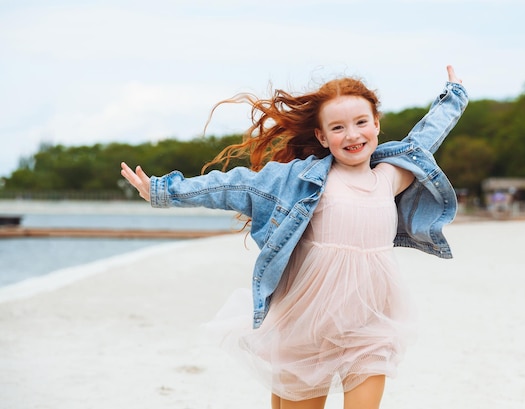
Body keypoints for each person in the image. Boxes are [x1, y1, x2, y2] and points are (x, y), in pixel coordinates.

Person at [120, 65, 468, 409]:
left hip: (370, 321)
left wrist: (453, 97)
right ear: (321, 137)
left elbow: (426, 138)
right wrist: (164, 191)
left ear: (376, 124)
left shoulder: (391, 177)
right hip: (308, 322)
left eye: (361, 122)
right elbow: (235, 185)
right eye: (337, 127)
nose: (352, 135)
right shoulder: (300, 180)